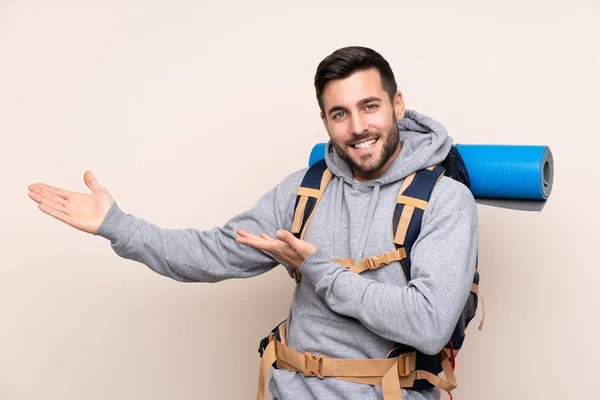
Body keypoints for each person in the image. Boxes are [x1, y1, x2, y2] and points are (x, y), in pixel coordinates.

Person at [27, 46, 478, 400]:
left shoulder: (445, 200)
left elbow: (428, 325)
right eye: (340, 114)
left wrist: (318, 269)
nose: (358, 127)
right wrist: (117, 225)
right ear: (325, 120)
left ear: (397, 104)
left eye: (370, 106)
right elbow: (211, 254)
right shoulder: (305, 190)